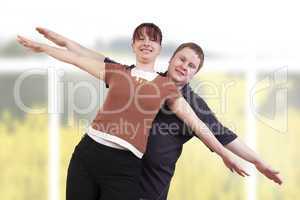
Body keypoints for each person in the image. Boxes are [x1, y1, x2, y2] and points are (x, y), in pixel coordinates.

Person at [31, 24, 282, 200]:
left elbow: (222, 136)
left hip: (148, 189)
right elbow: (96, 58)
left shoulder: (191, 103)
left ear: (195, 73)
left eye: (192, 65)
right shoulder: (143, 77)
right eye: (182, 60)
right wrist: (60, 41)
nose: (185, 67)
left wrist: (258, 162)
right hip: (109, 167)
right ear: (170, 59)